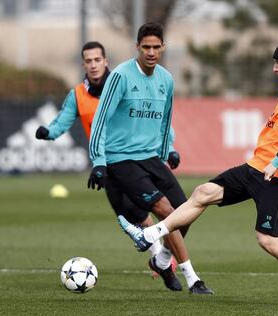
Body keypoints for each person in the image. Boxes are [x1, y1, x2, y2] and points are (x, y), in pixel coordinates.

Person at [119, 37, 278, 307]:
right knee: (203, 193)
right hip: (256, 167)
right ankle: (149, 235)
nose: (275, 69)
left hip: (275, 176)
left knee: (267, 240)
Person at [88, 23, 213, 294]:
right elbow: (100, 120)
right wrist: (98, 161)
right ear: (137, 48)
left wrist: (169, 150)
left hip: (151, 158)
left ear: (163, 47)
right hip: (121, 160)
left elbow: (165, 120)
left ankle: (161, 260)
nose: (152, 52)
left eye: (156, 47)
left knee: (186, 213)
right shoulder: (121, 76)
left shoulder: (166, 79)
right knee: (167, 212)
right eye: (146, 47)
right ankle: (194, 279)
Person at [34, 41, 179, 272]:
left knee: (151, 210)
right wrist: (49, 133)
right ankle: (159, 260)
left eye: (97, 60)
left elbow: (155, 117)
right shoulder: (78, 95)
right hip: (106, 164)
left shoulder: (125, 82)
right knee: (130, 215)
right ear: (83, 65)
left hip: (134, 159)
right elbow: (63, 120)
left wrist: (169, 147)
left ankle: (163, 262)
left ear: (105, 61)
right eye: (88, 61)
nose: (93, 65)